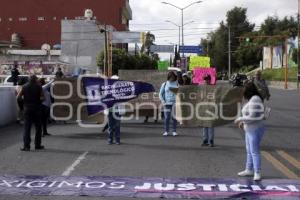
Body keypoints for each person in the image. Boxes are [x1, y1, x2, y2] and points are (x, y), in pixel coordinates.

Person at [235, 82, 265, 181]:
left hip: (255, 129)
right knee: (249, 150)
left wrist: (240, 119)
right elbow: (249, 116)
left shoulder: (255, 99)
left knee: (254, 151)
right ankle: (249, 169)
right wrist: (243, 122)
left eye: (244, 90)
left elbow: (253, 117)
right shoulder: (252, 99)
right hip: (249, 129)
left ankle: (257, 172)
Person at [17, 75, 45, 151]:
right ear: (35, 79)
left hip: (27, 109)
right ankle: (37, 145)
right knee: (38, 127)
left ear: (29, 79)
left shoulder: (24, 86)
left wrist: (24, 103)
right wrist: (39, 102)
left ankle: (26, 146)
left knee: (27, 128)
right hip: (37, 108)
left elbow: (18, 97)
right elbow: (43, 97)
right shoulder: (39, 86)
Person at [107, 75, 125, 145]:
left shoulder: (121, 89)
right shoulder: (108, 89)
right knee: (110, 127)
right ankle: (110, 139)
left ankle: (117, 140)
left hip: (117, 111)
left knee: (117, 126)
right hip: (110, 111)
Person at [159, 71, 178, 137]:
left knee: (174, 118)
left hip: (175, 103)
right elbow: (160, 94)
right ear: (168, 77)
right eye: (170, 77)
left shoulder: (177, 83)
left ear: (174, 77)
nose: (171, 78)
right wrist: (163, 102)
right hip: (167, 104)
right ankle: (166, 131)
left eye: (173, 77)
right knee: (167, 118)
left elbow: (180, 93)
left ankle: (174, 131)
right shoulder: (164, 84)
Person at [201, 75, 215, 147]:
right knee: (204, 125)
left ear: (210, 80)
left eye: (207, 79)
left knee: (210, 125)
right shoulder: (201, 88)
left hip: (211, 108)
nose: (206, 81)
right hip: (203, 107)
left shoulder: (213, 88)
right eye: (205, 79)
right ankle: (205, 139)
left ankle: (211, 140)